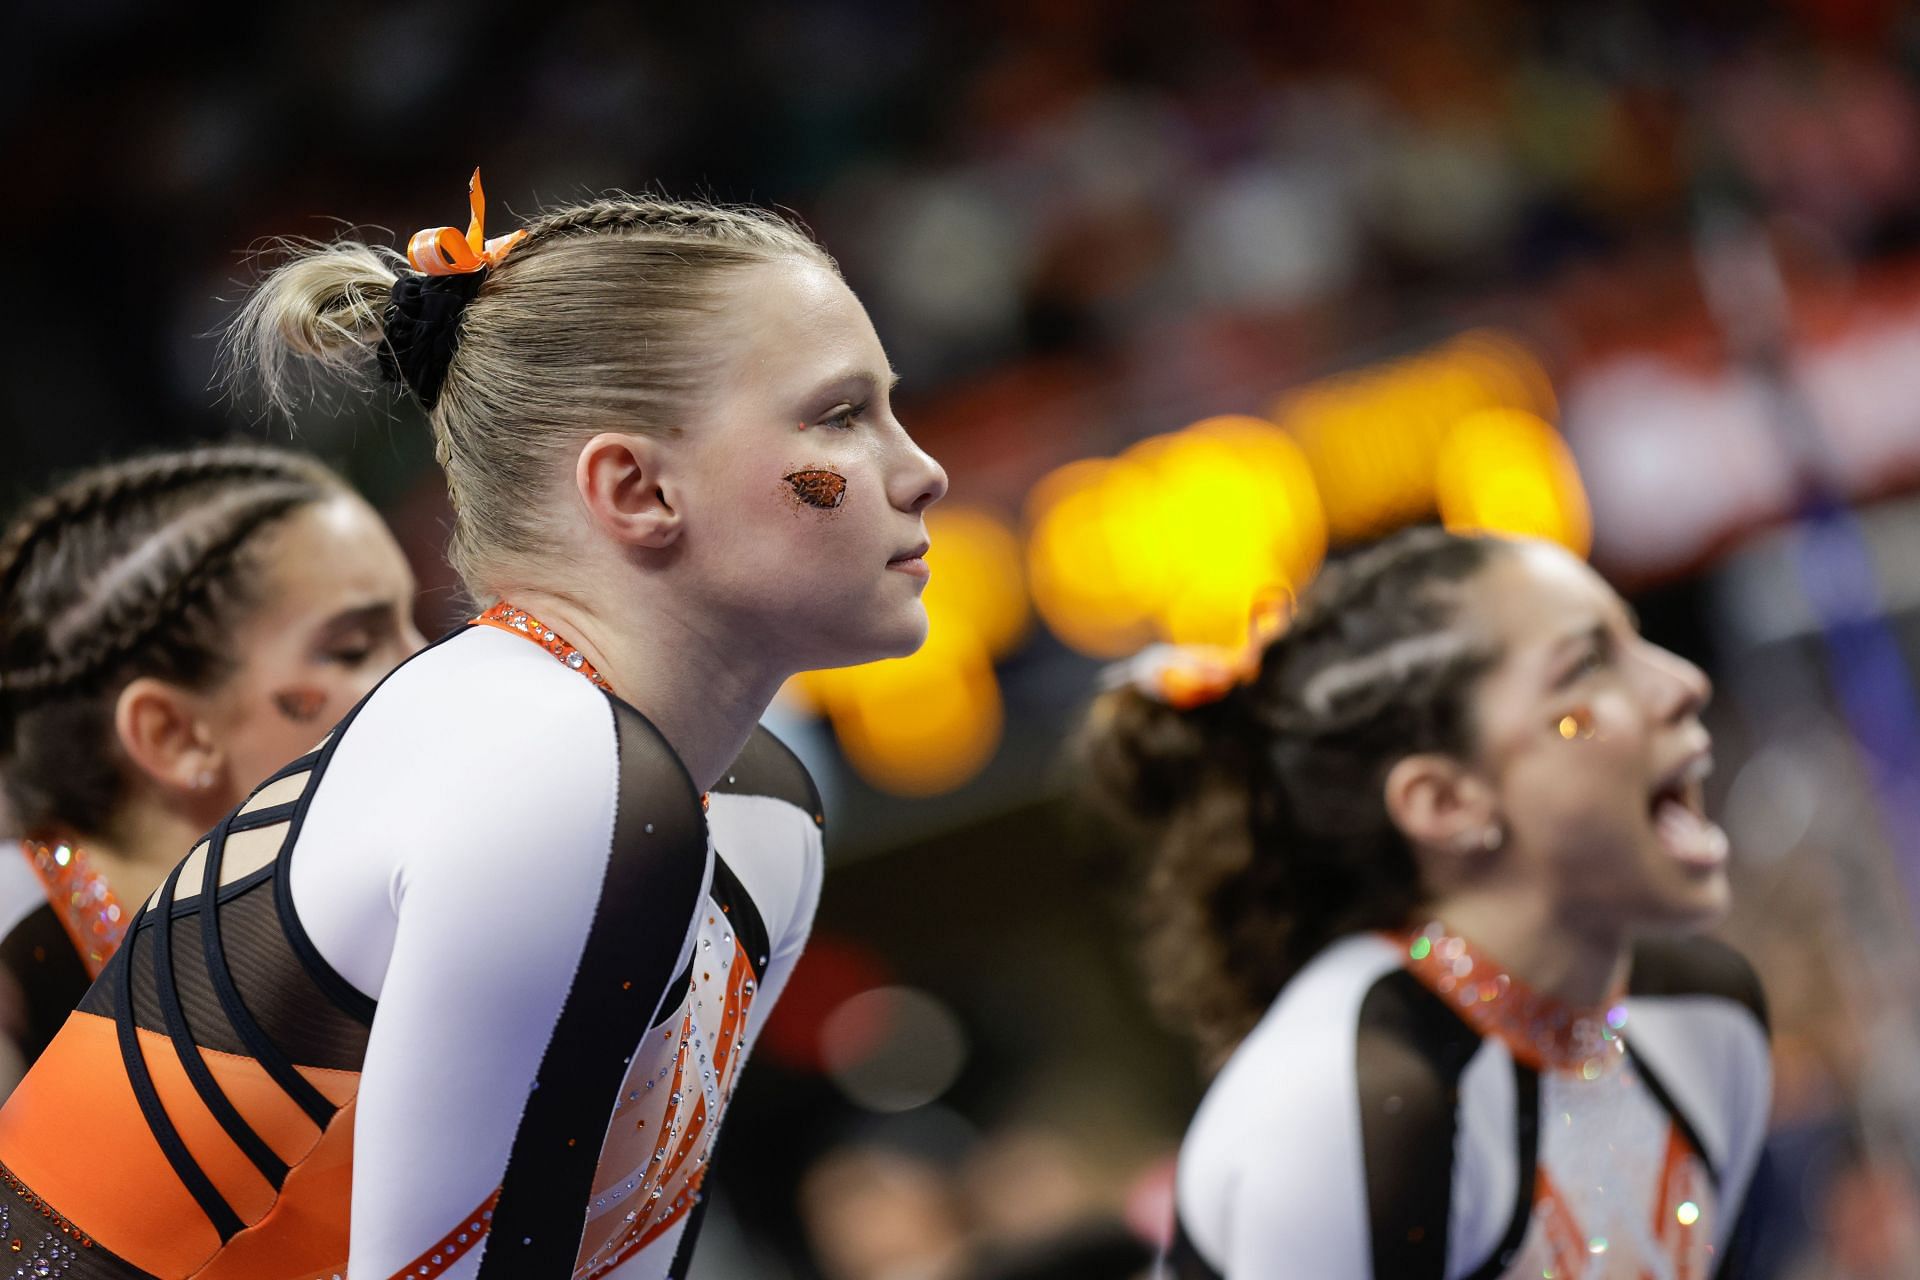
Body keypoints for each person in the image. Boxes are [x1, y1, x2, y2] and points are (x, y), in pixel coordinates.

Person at [0, 171, 946, 1280]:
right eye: (840, 415)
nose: (921, 469)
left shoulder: (759, 806)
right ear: (636, 488)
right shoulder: (542, 767)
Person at [1085, 527, 1769, 1279]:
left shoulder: (1710, 1015)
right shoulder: (1342, 1103)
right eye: (1585, 669)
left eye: (1637, 642)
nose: (1682, 684)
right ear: (1444, 801)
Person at [0, 443, 423, 1085]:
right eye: (353, 649)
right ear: (173, 736)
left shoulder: (386, 914)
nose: (426, 670)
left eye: (414, 626)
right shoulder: (17, 970)